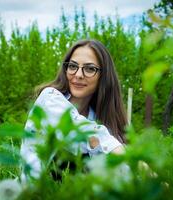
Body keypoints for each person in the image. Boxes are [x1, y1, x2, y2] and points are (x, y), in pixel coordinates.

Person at [20, 39, 127, 178]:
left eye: (89, 69)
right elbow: (82, 131)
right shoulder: (50, 99)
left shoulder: (100, 118)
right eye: (72, 66)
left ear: (103, 76)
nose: (78, 75)